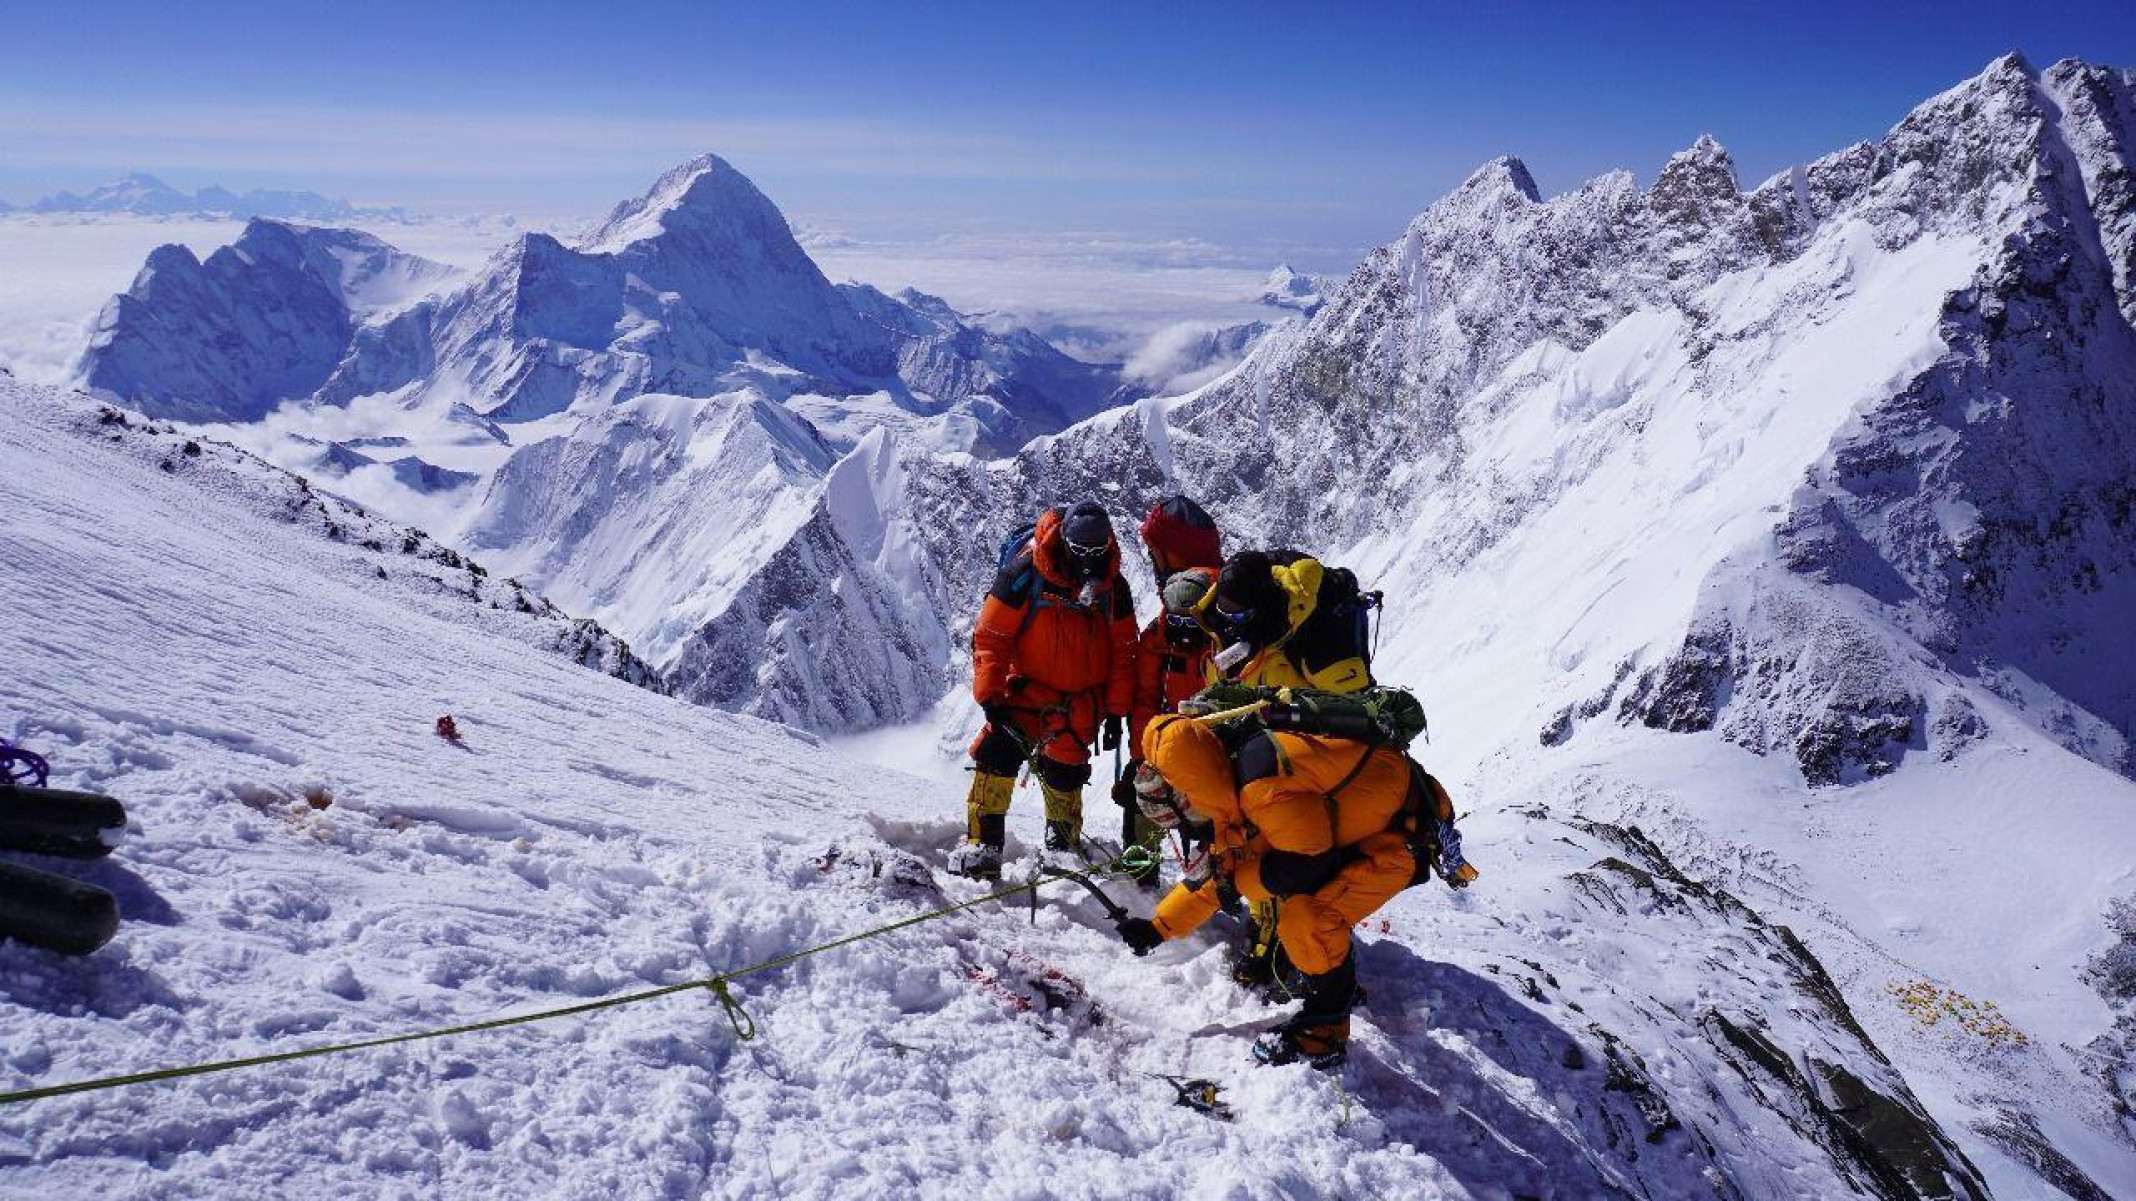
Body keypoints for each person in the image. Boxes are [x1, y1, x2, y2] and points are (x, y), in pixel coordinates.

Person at [1113, 711, 1447, 1069]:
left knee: (1308, 919)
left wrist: (1236, 886)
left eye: (1187, 820)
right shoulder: (1224, 775)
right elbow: (1221, 875)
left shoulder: (1261, 789)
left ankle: (1324, 1033)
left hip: (1402, 837)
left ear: (1189, 797)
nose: (1194, 831)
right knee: (1289, 898)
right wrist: (1158, 927)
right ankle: (1328, 973)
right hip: (1359, 829)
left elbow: (1306, 866)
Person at [1187, 548, 1380, 986]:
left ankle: (1286, 953)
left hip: (1307, 763)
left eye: (1238, 615)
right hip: (1258, 755)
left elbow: (1358, 712)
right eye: (1224, 612)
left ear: (1260, 607)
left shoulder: (1315, 639)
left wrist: (1292, 716)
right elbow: (1223, 684)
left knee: (1286, 853)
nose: (1228, 622)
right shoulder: (1224, 623)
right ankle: (1270, 940)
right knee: (1257, 846)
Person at [953, 501, 1138, 881]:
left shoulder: (1114, 588)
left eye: (1096, 551)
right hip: (1027, 692)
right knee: (997, 753)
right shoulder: (1026, 574)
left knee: (1066, 771)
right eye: (1081, 550)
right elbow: (991, 636)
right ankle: (982, 844)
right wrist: (990, 695)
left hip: (1079, 701)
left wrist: (1117, 711)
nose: (1088, 559)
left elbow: (1124, 651)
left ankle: (1062, 846)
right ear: (1066, 542)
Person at [1114, 496, 1225, 888]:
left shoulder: (1209, 621)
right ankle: (1211, 898)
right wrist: (1145, 758)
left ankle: (1142, 889)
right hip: (1195, 758)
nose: (1151, 561)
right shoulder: (1172, 624)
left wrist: (1147, 759)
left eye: (1155, 553)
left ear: (1172, 555)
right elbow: (1147, 694)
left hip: (1207, 762)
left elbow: (1148, 695)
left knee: (1149, 802)